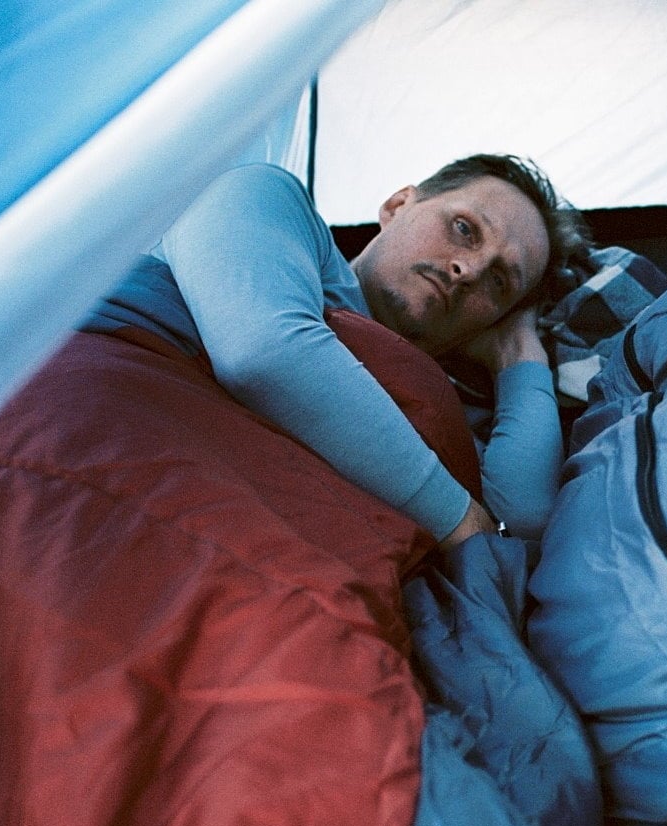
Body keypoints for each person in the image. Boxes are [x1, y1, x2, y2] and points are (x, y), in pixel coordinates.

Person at [84, 154, 590, 548]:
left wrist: (520, 354)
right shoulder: (272, 201)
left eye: (499, 282)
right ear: (398, 206)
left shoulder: (432, 415)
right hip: (105, 439)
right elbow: (264, 353)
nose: (470, 270)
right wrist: (459, 521)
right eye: (464, 229)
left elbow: (521, 522)